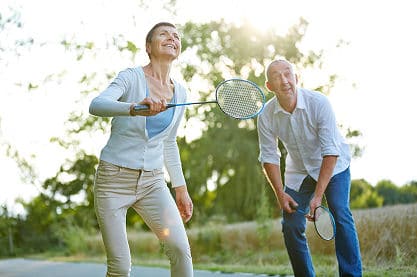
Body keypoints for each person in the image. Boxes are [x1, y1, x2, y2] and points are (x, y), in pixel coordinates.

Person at [89, 22, 193, 277]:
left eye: (176, 36)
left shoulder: (181, 92)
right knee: (120, 267)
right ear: (149, 47)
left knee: (180, 249)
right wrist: (133, 107)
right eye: (163, 34)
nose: (172, 37)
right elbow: (97, 104)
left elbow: (169, 142)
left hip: (152, 182)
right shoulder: (130, 77)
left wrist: (180, 188)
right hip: (113, 181)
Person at [257, 59, 362, 277]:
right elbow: (269, 156)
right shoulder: (266, 115)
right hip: (299, 171)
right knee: (291, 225)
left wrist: (317, 197)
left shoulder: (319, 103)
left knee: (340, 213)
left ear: (296, 78)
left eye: (288, 74)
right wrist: (280, 193)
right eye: (277, 76)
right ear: (269, 86)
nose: (284, 80)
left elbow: (330, 151)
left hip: (334, 166)